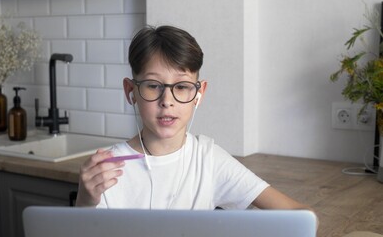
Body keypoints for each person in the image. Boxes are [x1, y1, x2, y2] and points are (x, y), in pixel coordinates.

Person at [75, 25, 312, 211]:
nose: (167, 100)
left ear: (199, 93)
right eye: (153, 85)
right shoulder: (106, 169)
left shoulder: (208, 159)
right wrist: (85, 202)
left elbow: (299, 214)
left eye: (182, 86)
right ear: (131, 91)